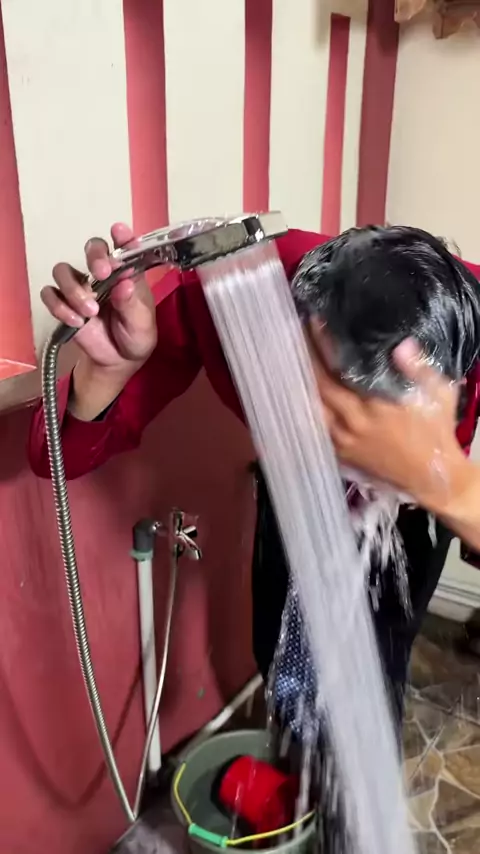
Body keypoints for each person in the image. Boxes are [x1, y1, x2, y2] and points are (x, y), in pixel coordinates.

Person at [28, 222, 480, 732]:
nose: (344, 449)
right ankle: (295, 751)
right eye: (324, 412)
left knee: (377, 666)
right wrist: (105, 374)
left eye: (371, 438)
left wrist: (453, 490)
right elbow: (57, 458)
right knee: (281, 652)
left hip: (418, 504)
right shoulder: (232, 294)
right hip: (292, 485)